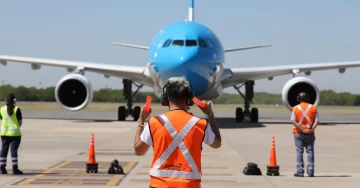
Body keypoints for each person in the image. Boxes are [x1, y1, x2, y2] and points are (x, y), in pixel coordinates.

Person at [133, 76, 222, 188]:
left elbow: (138, 150)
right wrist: (209, 114)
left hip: (159, 185)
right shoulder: (200, 124)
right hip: (189, 185)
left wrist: (141, 119)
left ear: (165, 97)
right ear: (188, 98)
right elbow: (217, 143)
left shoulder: (155, 122)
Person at [291, 92, 319, 177]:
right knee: (310, 152)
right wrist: (310, 130)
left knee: (299, 152)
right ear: (308, 98)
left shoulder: (295, 108)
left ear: (298, 99)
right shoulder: (313, 108)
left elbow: (293, 120)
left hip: (299, 133)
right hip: (310, 134)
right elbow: (317, 121)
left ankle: (300, 172)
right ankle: (311, 171)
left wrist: (302, 129)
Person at [0, 93, 23, 175]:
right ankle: (15, 169)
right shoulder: (17, 109)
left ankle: (2, 168)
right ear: (14, 101)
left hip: (4, 134)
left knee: (4, 149)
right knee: (14, 151)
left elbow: (2, 119)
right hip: (15, 134)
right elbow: (20, 122)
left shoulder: (1, 109)